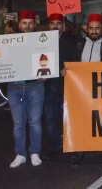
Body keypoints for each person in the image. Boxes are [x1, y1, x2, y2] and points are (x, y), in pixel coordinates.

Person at [66, 13, 102, 165]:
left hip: (101, 89)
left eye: (97, 29)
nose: (94, 31)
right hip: (81, 90)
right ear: (86, 29)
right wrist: (66, 71)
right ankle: (79, 151)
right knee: (81, 120)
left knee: (101, 121)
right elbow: (72, 63)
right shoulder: (78, 44)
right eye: (91, 28)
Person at [8, 10, 44, 168]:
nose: (27, 26)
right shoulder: (9, 41)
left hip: (35, 86)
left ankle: (35, 152)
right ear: (19, 24)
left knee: (35, 122)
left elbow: (47, 58)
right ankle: (20, 154)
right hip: (15, 86)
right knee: (18, 123)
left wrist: (46, 74)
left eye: (30, 23)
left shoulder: (42, 40)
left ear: (34, 24)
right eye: (24, 23)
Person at [41, 13, 76, 160]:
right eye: (52, 23)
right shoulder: (41, 42)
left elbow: (75, 60)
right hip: (48, 85)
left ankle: (71, 145)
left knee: (69, 117)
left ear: (63, 25)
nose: (55, 26)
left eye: (58, 23)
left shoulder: (70, 41)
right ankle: (54, 147)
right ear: (48, 26)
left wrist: (68, 69)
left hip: (66, 84)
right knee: (50, 118)